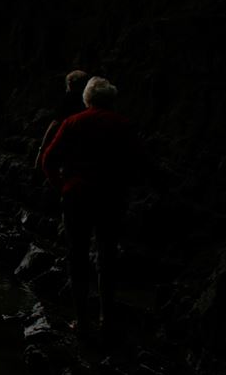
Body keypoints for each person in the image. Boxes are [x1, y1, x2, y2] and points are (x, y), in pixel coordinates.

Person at [41, 76, 144, 345]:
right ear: (111, 100)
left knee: (77, 254)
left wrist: (62, 185)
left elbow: (48, 159)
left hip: (77, 195)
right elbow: (137, 163)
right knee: (107, 255)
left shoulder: (73, 122)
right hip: (111, 196)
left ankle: (82, 320)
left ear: (86, 99)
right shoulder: (124, 125)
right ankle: (106, 319)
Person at [35, 70, 90, 170]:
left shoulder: (68, 100)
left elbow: (55, 124)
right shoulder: (89, 104)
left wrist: (41, 150)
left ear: (70, 84)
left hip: (65, 146)